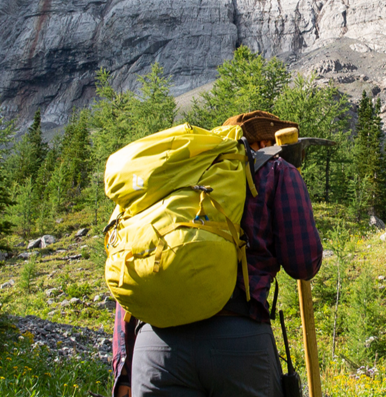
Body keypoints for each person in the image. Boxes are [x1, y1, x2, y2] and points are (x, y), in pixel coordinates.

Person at [110, 111, 323, 397]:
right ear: (264, 141)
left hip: (155, 347)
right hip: (238, 341)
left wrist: (123, 369)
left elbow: (133, 267)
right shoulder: (277, 170)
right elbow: (303, 262)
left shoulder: (168, 180)